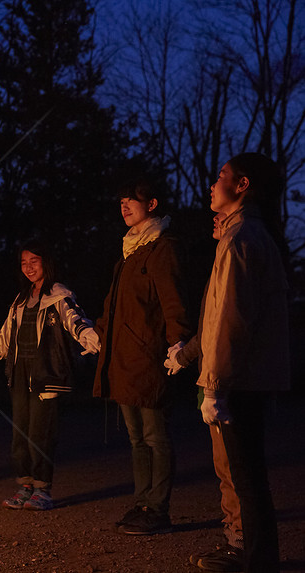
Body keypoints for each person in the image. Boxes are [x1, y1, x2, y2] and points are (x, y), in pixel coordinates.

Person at [179, 153, 289, 572]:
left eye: (222, 175)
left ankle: (259, 561)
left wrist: (214, 386)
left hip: (240, 379)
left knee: (246, 479)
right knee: (248, 477)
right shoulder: (245, 234)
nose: (213, 183)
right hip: (250, 376)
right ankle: (257, 557)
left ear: (241, 185)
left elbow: (229, 320)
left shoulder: (242, 239)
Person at [93, 176, 191, 535]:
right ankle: (142, 502)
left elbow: (172, 301)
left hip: (148, 357)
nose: (124, 206)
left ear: (152, 204)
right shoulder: (128, 253)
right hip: (122, 358)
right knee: (136, 439)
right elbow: (114, 306)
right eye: (120, 201)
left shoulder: (162, 247)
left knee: (155, 436)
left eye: (131, 200)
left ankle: (158, 507)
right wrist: (97, 333)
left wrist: (178, 342)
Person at [0, 241, 100, 511]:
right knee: (20, 433)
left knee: (41, 434)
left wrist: (88, 336)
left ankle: (43, 490)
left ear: (46, 262)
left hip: (48, 373)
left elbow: (74, 319)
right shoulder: (21, 299)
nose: (29, 267)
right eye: (24, 263)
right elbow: (5, 336)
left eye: (34, 261)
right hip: (21, 374)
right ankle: (25, 486)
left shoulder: (57, 294)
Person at [166, 213, 246, 571]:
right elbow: (208, 325)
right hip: (212, 378)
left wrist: (211, 383)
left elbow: (220, 325)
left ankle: (241, 542)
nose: (214, 219)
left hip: (225, 381)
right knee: (224, 466)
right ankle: (236, 536)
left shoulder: (238, 246)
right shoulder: (220, 257)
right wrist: (183, 358)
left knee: (233, 468)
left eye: (220, 215)